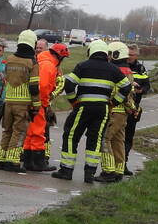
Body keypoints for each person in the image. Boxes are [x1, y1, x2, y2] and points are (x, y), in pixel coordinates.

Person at [52, 40, 131, 183]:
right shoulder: (113, 69)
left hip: (83, 107)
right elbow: (126, 87)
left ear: (91, 51)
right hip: (103, 110)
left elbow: (69, 84)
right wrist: (114, 102)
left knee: (71, 136)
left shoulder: (83, 66)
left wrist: (73, 101)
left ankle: (66, 170)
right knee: (95, 140)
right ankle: (89, 174)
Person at [0, 29, 40, 173]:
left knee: (6, 130)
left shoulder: (9, 59)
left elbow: (7, 79)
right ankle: (13, 162)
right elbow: (34, 87)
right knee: (19, 132)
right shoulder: (32, 62)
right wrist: (36, 106)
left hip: (8, 101)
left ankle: (1, 160)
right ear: (33, 44)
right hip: (23, 103)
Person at [23, 43, 68, 171]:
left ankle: (28, 161)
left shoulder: (42, 61)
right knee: (38, 133)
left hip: (31, 102)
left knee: (30, 133)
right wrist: (44, 104)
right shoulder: (49, 66)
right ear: (59, 56)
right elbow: (42, 87)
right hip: (39, 104)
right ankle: (38, 163)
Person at [96, 42, 136, 183]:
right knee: (118, 141)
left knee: (104, 139)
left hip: (114, 110)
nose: (107, 57)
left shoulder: (115, 70)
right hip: (123, 112)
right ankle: (119, 171)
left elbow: (117, 91)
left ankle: (108, 171)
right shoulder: (128, 70)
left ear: (115, 54)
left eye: (109, 53)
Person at [123, 43, 151, 175]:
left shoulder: (141, 68)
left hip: (134, 108)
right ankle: (115, 164)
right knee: (117, 137)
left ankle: (124, 164)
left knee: (129, 137)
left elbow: (147, 85)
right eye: (128, 54)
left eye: (132, 55)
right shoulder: (121, 65)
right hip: (121, 107)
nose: (129, 57)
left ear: (137, 55)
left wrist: (141, 90)